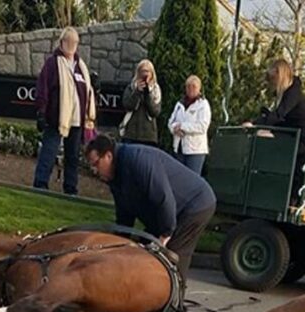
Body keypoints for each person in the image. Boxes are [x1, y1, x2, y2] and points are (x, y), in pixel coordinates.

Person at [84, 135, 216, 280]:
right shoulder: (114, 176)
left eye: (95, 164)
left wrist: (165, 234)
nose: (94, 170)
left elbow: (163, 197)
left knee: (171, 258)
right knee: (144, 252)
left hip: (195, 204)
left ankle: (174, 299)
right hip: (165, 211)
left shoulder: (138, 160)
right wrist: (119, 241)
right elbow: (124, 214)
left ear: (108, 156)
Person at [33, 26, 96, 195]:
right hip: (56, 118)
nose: (71, 45)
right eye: (68, 41)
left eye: (74, 42)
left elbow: (87, 92)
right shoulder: (52, 63)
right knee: (49, 151)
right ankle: (40, 184)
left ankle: (70, 188)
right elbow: (43, 88)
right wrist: (41, 111)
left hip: (77, 120)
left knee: (73, 157)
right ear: (62, 42)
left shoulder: (80, 66)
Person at [242, 59, 305, 201]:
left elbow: (279, 115)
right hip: (289, 135)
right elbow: (276, 117)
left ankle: (274, 189)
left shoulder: (293, 93)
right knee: (264, 136)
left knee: (265, 136)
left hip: (299, 140)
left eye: (273, 78)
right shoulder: (287, 93)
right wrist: (255, 123)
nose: (271, 82)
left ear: (280, 75)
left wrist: (256, 126)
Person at [167, 75, 211, 175]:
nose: (190, 89)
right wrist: (174, 129)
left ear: (199, 88)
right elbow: (171, 122)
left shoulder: (203, 105)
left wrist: (183, 126)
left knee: (192, 180)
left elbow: (202, 126)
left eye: (193, 86)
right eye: (188, 86)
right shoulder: (179, 104)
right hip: (179, 148)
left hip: (195, 151)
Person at [119, 60, 161, 146]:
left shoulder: (156, 90)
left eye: (147, 71)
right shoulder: (131, 87)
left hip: (148, 136)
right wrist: (137, 92)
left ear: (152, 74)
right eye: (142, 71)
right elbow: (127, 105)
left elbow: (154, 112)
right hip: (131, 134)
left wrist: (147, 93)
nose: (145, 74)